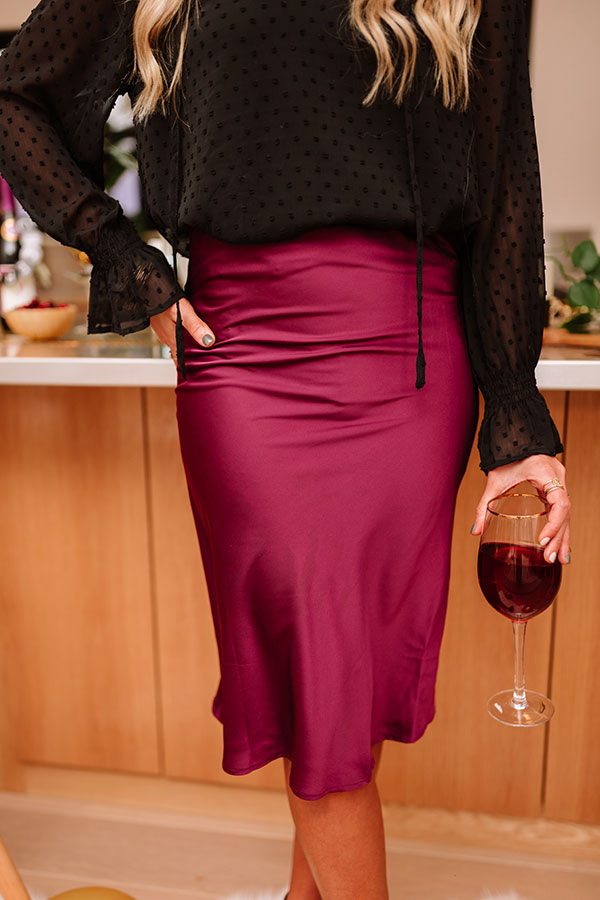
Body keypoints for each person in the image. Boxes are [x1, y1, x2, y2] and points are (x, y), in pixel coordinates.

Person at [0, 1, 571, 897]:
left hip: (412, 361)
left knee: (339, 687)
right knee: (321, 692)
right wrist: (120, 252)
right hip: (247, 358)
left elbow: (505, 186)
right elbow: (16, 96)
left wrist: (515, 409)